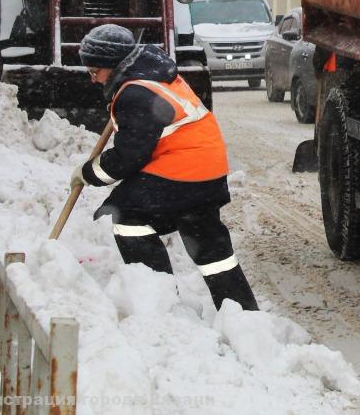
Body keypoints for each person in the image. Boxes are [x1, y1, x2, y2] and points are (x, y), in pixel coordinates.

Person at [71, 24, 259, 312]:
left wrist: (88, 173)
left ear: (113, 65)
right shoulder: (155, 76)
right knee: (211, 249)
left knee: (127, 215)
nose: (94, 80)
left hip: (181, 174)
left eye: (95, 72)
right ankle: (244, 314)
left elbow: (127, 159)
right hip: (207, 173)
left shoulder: (136, 94)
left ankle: (157, 298)